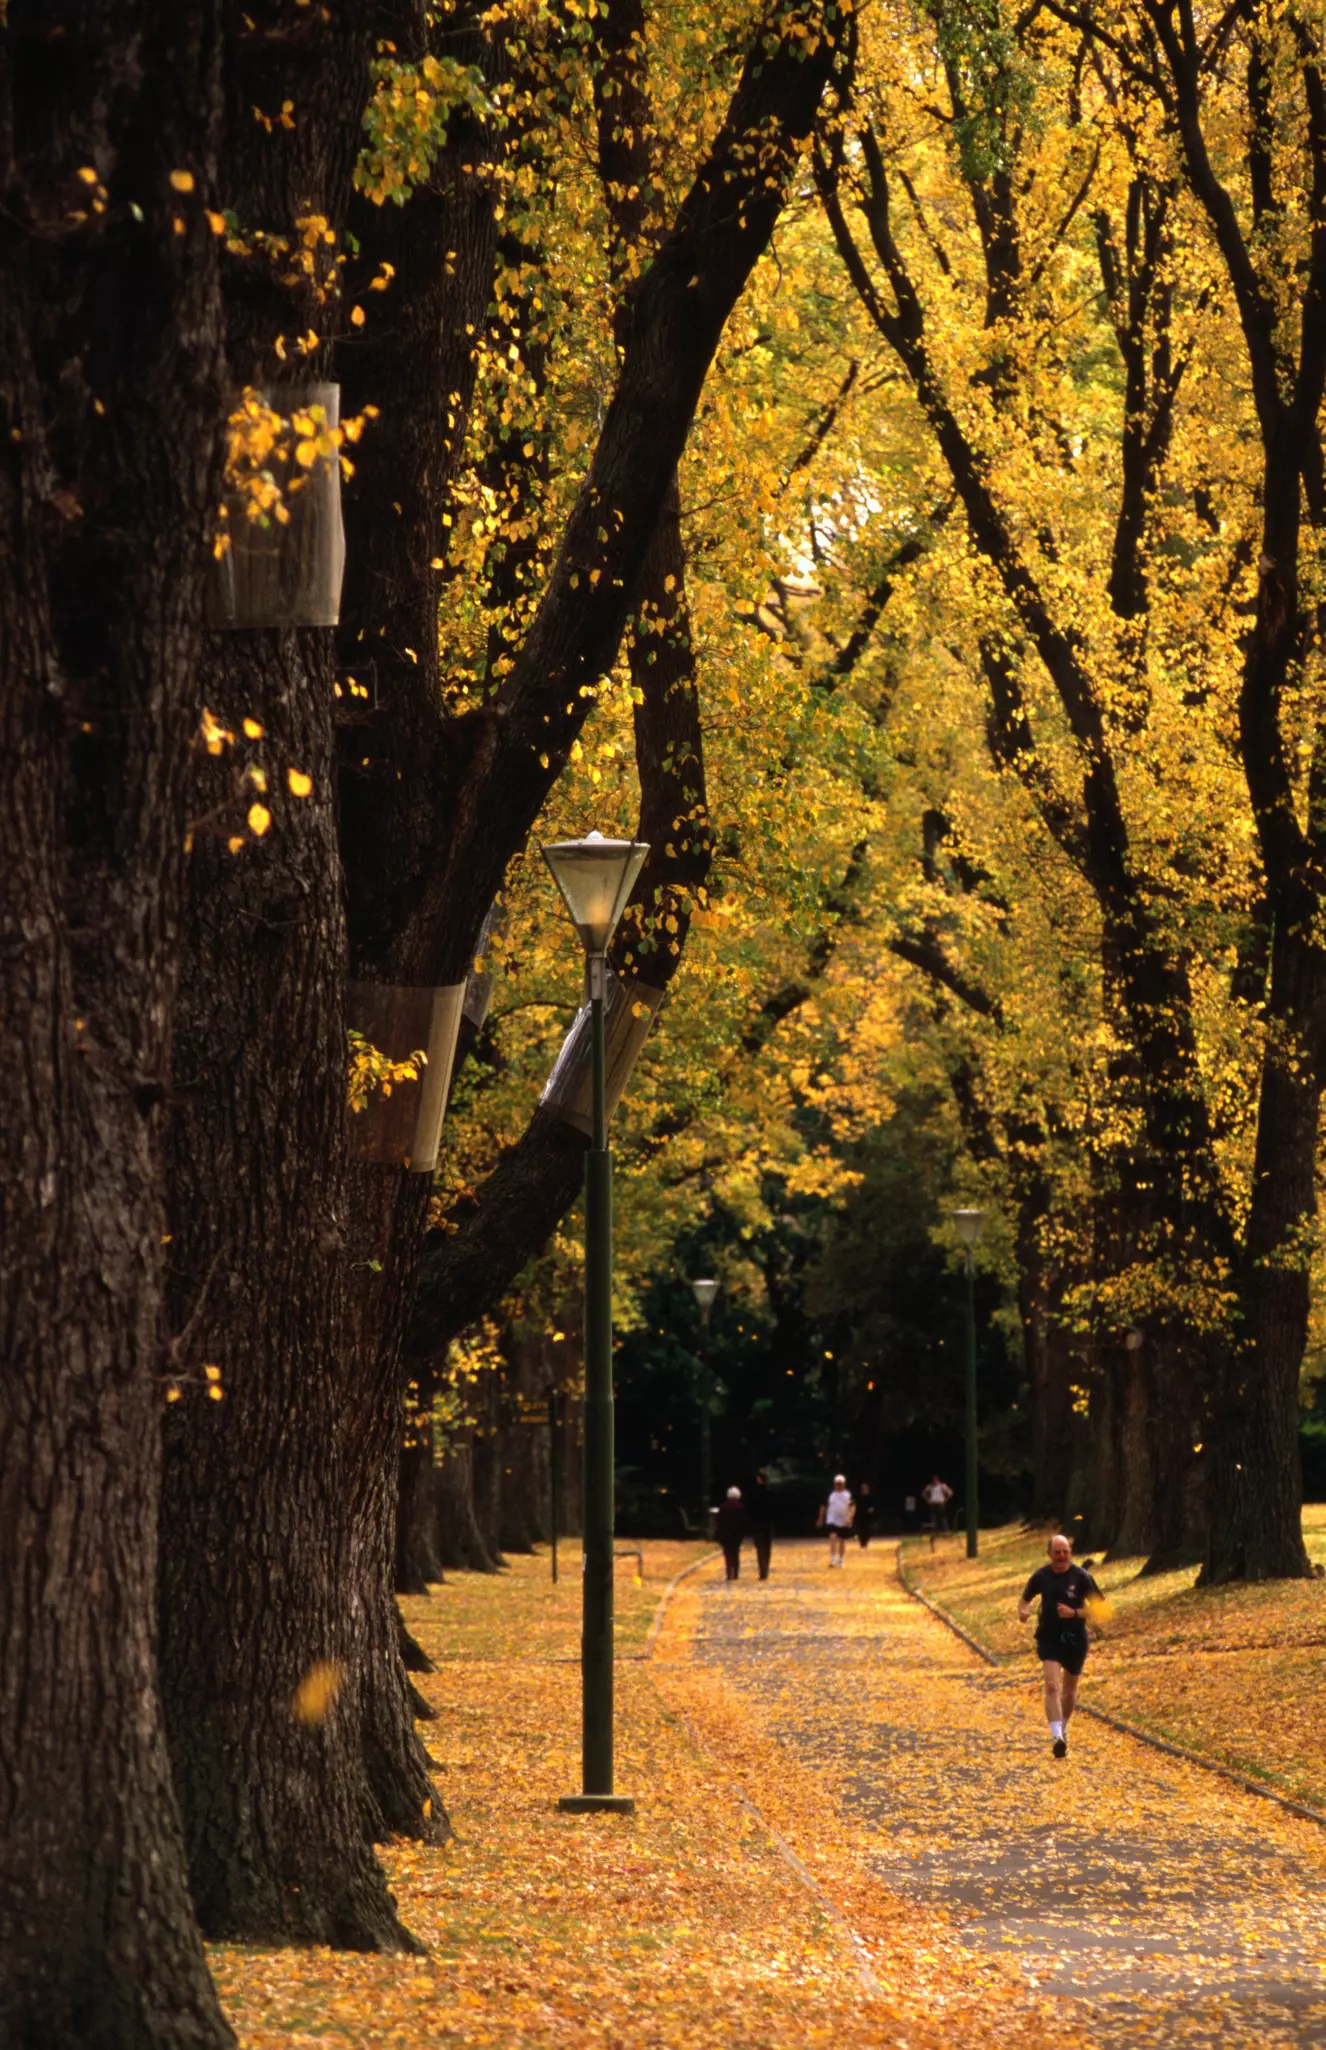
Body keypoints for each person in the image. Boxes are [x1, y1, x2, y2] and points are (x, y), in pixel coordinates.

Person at [1017, 1532, 1102, 1758]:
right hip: (1049, 1637)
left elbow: (1100, 1609)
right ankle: (1056, 1737)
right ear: (1049, 1554)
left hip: (1075, 1638)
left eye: (1065, 1552)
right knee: (1052, 1686)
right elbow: (1024, 1600)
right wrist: (1023, 1611)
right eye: (1057, 1552)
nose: (1062, 1556)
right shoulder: (1041, 1576)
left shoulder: (1082, 1577)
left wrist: (1074, 1612)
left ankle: (1063, 1727)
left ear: (1070, 1553)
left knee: (1069, 1690)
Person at [819, 1474, 854, 1566]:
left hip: (844, 1520)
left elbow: (852, 1507)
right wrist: (820, 1519)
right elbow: (823, 1506)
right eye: (837, 1484)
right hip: (832, 1519)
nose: (838, 1485)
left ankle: (841, 1559)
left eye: (840, 1484)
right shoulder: (830, 1494)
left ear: (844, 1484)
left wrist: (850, 1518)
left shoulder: (848, 1495)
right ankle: (833, 1559)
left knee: (842, 1540)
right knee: (833, 1537)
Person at [715, 1485, 746, 1581]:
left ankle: (729, 1572)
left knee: (727, 1553)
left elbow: (719, 1520)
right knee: (736, 1553)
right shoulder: (740, 1507)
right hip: (737, 1534)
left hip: (725, 1533)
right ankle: (736, 1573)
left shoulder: (723, 1507)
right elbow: (743, 1521)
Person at [748, 1469, 775, 1581]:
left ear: (759, 1479)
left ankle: (762, 1569)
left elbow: (751, 1508)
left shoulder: (754, 1493)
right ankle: (766, 1568)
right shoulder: (770, 1492)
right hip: (768, 1523)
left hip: (757, 1523)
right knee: (767, 1547)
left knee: (759, 1547)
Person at [922, 1473, 953, 1548]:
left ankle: (945, 1532)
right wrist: (928, 1500)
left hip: (940, 1503)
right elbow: (923, 1493)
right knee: (933, 1519)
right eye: (933, 1480)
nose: (934, 1481)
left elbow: (950, 1492)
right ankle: (934, 1533)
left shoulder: (942, 1485)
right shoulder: (930, 1487)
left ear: (938, 1480)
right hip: (933, 1503)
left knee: (942, 1518)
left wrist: (945, 1500)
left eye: (935, 1480)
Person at [854, 1480, 875, 1548]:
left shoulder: (870, 1497)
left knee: (867, 1530)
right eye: (863, 1489)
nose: (865, 1490)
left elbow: (873, 1505)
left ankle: (865, 1542)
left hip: (867, 1516)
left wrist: (871, 1509)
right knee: (860, 1530)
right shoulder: (858, 1497)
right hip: (859, 1515)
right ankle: (861, 1542)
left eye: (866, 1489)